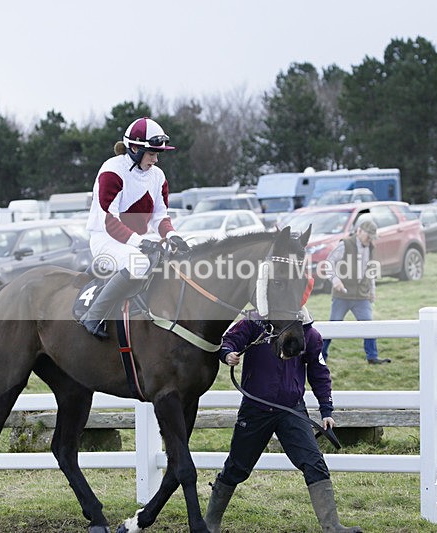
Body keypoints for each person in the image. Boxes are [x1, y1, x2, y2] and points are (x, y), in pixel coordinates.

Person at [203, 307, 362, 533]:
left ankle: (332, 526)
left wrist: (326, 409)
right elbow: (229, 340)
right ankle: (210, 524)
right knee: (236, 468)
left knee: (314, 463)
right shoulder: (254, 322)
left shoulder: (310, 334)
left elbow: (319, 372)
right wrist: (227, 353)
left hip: (291, 410)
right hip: (255, 410)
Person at [80, 117, 190, 339]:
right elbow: (109, 221)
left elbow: (161, 217)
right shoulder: (112, 171)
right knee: (139, 263)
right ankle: (94, 315)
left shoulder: (158, 176)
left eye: (158, 154)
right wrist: (142, 243)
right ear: (135, 149)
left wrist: (173, 236)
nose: (156, 159)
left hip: (136, 240)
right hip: (105, 238)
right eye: (152, 154)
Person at [321, 217, 390, 365]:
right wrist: (335, 279)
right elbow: (328, 263)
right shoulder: (344, 245)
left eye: (372, 237)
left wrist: (372, 290)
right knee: (333, 326)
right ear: (359, 231)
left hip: (362, 296)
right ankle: (320, 357)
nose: (370, 240)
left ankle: (372, 357)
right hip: (342, 295)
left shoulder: (371, 247)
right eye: (368, 236)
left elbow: (370, 269)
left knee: (368, 326)